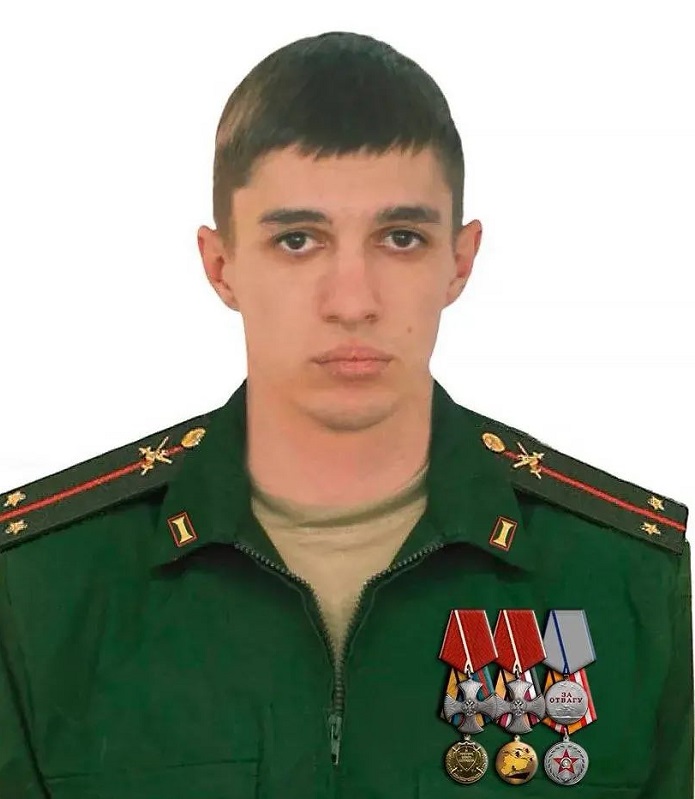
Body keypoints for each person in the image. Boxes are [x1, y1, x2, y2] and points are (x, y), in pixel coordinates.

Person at [0, 30, 691, 798]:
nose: (353, 301)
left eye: (400, 238)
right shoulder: (39, 588)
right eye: (297, 240)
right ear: (221, 265)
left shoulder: (623, 577)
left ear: (459, 261)